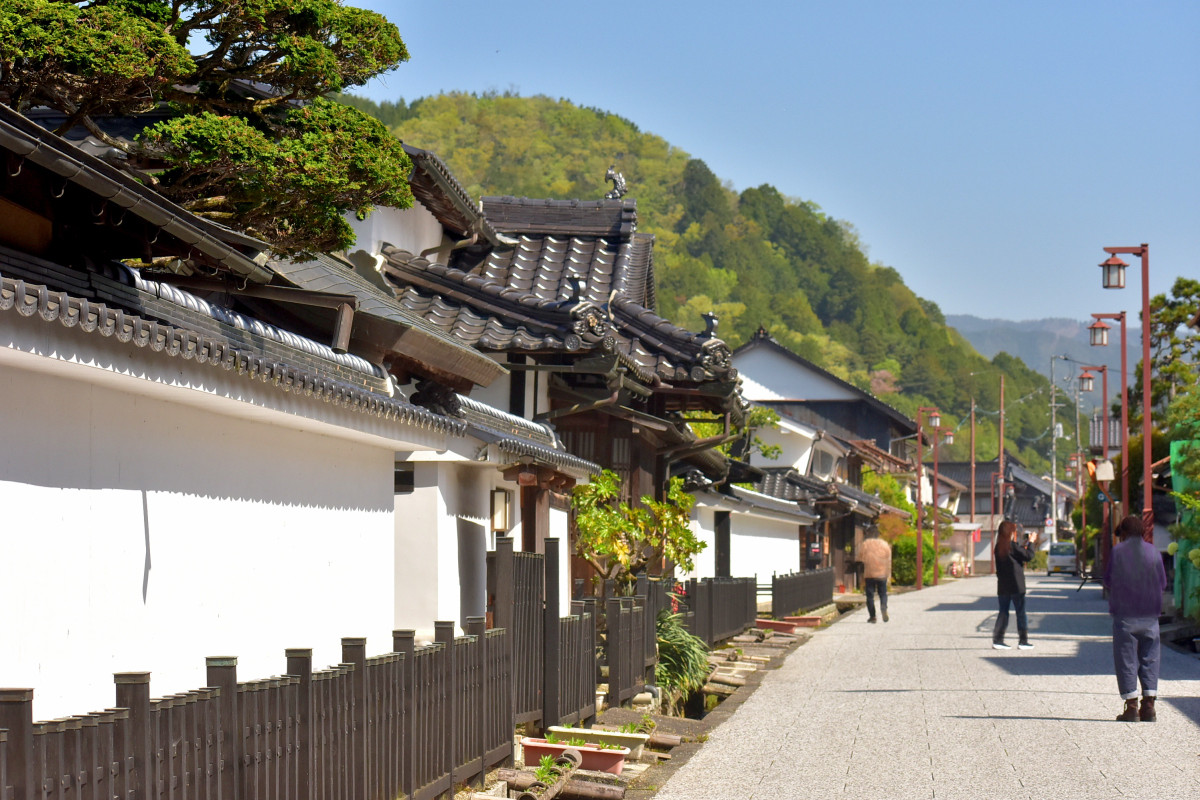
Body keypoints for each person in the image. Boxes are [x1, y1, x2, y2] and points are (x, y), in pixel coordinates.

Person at [1105, 515, 1169, 722]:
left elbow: (1108, 580)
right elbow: (1162, 582)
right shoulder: (1153, 552)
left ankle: (1131, 707)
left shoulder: (1118, 552)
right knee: (1150, 657)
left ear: (1123, 533)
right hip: (1150, 613)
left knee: (1126, 659)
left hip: (1126, 614)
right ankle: (1149, 706)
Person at [993, 519, 1035, 650]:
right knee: (1020, 612)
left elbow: (1019, 553)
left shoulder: (998, 547)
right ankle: (1023, 641)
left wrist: (1023, 545)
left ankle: (998, 640)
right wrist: (1032, 542)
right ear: (1010, 532)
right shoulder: (1012, 546)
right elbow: (1028, 556)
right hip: (1016, 585)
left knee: (1003, 612)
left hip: (1003, 585)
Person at [858, 529, 892, 623]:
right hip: (882, 574)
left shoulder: (866, 544)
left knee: (870, 596)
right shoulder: (885, 544)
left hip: (869, 574)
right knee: (883, 593)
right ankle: (884, 606)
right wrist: (888, 573)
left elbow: (860, 558)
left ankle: (873, 617)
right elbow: (889, 559)